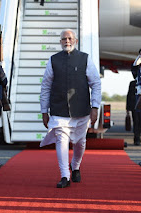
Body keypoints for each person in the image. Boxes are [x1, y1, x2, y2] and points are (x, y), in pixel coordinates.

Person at [40, 29, 101, 188]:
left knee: (80, 142)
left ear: (76, 40)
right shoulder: (53, 60)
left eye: (69, 38)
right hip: (59, 109)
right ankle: (65, 176)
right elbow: (46, 86)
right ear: (60, 42)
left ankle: (76, 166)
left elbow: (95, 84)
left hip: (81, 109)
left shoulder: (85, 59)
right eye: (64, 39)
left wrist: (95, 107)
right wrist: (44, 110)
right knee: (61, 140)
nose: (67, 41)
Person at [127, 49, 141, 145]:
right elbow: (134, 71)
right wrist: (127, 109)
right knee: (136, 122)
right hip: (135, 104)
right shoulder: (133, 83)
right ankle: (136, 138)